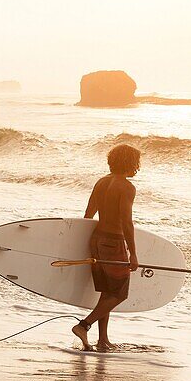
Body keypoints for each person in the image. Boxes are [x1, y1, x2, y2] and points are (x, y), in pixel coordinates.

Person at [72, 144, 141, 352]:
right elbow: (126, 222)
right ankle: (83, 326)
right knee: (120, 293)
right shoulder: (126, 187)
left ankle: (103, 340)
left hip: (97, 239)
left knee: (107, 292)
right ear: (131, 163)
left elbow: (88, 214)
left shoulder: (101, 182)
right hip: (113, 242)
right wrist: (133, 252)